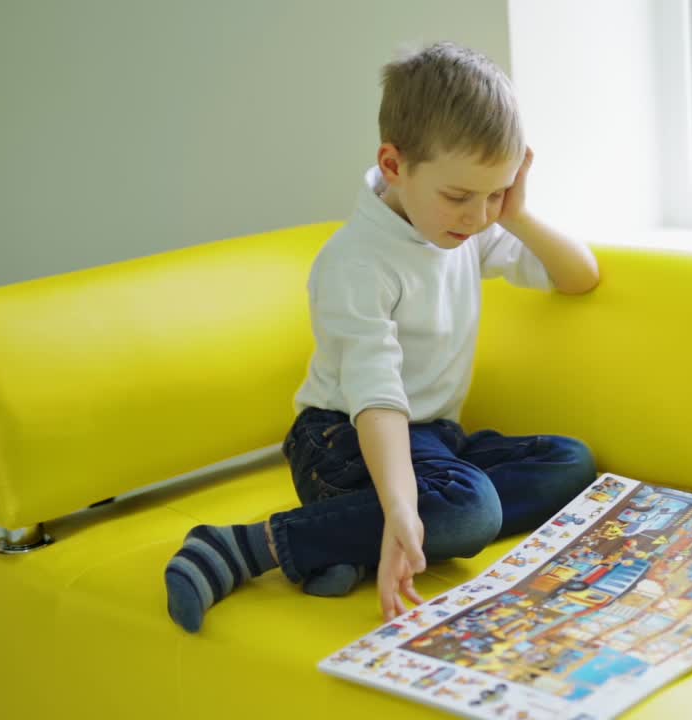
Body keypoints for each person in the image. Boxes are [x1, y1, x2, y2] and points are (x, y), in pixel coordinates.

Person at [164, 42, 600, 633]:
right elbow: (376, 398)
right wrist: (400, 506)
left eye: (495, 193)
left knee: (569, 463)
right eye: (459, 196)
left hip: (432, 441)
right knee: (468, 510)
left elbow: (578, 277)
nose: (477, 216)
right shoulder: (357, 262)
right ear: (394, 166)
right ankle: (245, 546)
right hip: (341, 439)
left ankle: (350, 545)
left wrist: (516, 213)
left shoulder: (463, 228)